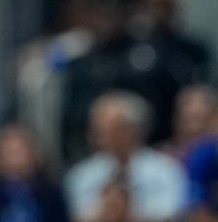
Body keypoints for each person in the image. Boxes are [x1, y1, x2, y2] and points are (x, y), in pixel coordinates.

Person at [63, 92, 187, 222]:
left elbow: (171, 214)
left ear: (135, 129)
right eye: (98, 131)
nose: (103, 138)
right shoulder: (82, 176)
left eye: (114, 130)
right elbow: (77, 215)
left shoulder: (166, 170)